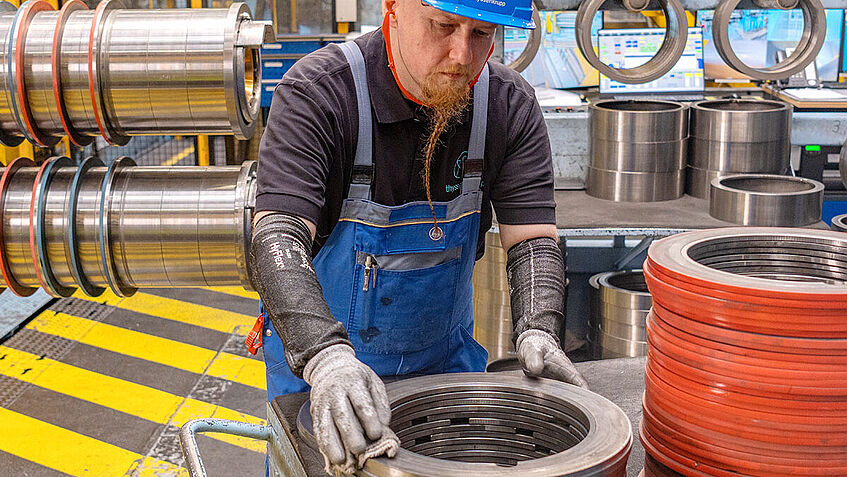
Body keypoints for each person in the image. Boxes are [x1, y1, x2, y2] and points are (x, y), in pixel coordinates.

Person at [249, 0, 588, 473]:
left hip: (446, 372)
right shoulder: (319, 93)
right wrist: (326, 359)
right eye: (444, 26)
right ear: (393, 6)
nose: (461, 56)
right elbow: (276, 238)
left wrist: (539, 328)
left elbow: (531, 239)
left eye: (482, 34)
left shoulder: (508, 104)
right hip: (322, 376)